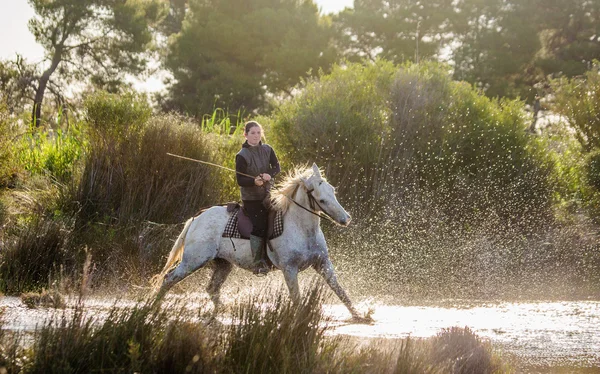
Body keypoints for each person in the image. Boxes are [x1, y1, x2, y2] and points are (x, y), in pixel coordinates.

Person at [235, 121, 280, 275]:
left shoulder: (268, 149)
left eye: (258, 132)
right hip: (251, 199)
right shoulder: (241, 156)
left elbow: (276, 167)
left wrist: (269, 174)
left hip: (269, 194)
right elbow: (240, 180)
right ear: (245, 134)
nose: (256, 136)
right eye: (252, 133)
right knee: (260, 224)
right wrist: (253, 181)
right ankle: (257, 262)